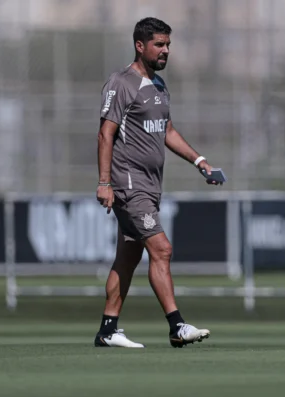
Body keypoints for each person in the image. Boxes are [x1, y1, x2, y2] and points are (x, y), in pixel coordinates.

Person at [94, 17, 224, 348]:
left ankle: (108, 330)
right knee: (162, 249)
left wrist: (200, 161)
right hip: (128, 185)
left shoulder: (160, 85)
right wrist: (105, 182)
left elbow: (166, 131)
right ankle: (176, 326)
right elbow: (105, 133)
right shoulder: (121, 83)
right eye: (159, 45)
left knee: (128, 257)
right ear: (140, 46)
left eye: (168, 44)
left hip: (150, 188)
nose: (166, 50)